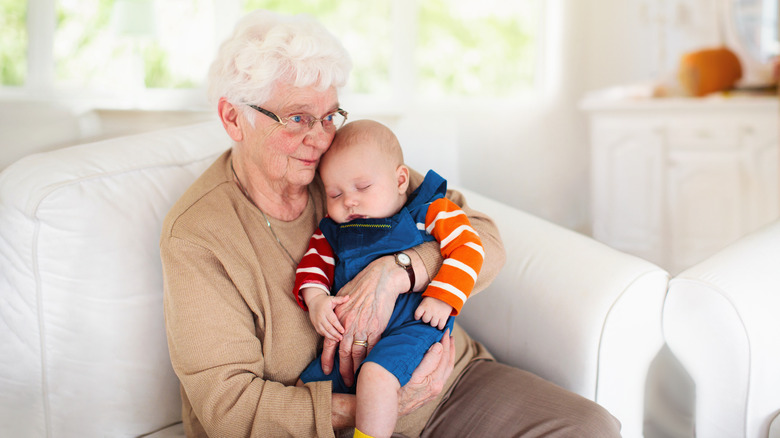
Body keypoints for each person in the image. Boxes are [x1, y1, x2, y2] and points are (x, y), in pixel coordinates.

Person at [160, 9, 622, 438]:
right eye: (298, 118)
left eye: (328, 116)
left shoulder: (346, 170)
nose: (320, 139)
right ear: (232, 118)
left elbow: (483, 236)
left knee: (591, 427)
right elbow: (229, 406)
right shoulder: (199, 236)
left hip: (446, 378)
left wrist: (401, 270)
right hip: (333, 423)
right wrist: (375, 404)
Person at [292, 119, 484, 437]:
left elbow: (469, 246)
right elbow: (312, 268)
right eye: (335, 194)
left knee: (376, 379)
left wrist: (442, 297)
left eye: (362, 187)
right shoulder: (333, 231)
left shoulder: (430, 211)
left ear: (400, 180)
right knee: (304, 392)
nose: (349, 201)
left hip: (413, 326)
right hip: (347, 343)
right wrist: (316, 301)